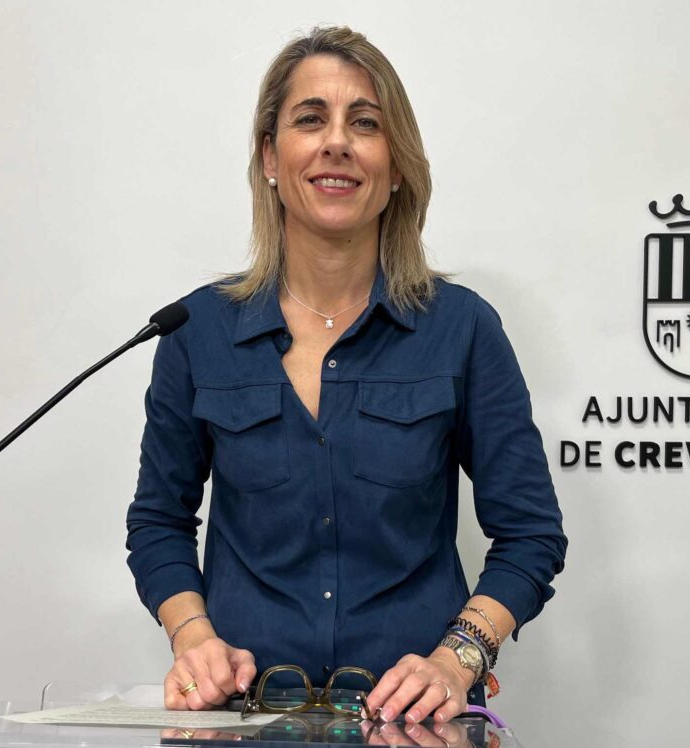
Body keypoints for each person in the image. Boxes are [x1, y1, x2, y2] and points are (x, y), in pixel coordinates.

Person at [125, 25, 566, 726]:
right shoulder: (195, 330)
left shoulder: (463, 328)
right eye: (310, 119)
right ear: (270, 156)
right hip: (245, 718)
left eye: (365, 123)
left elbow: (531, 535)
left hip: (416, 725)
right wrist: (194, 638)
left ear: (397, 167)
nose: (337, 142)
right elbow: (158, 522)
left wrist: (457, 660)